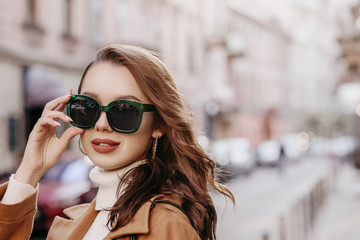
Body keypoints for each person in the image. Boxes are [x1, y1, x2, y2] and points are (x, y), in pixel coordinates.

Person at [0, 44, 234, 240]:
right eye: (88, 107)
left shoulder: (166, 225)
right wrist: (30, 171)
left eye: (124, 110)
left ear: (159, 125)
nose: (101, 124)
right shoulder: (76, 221)